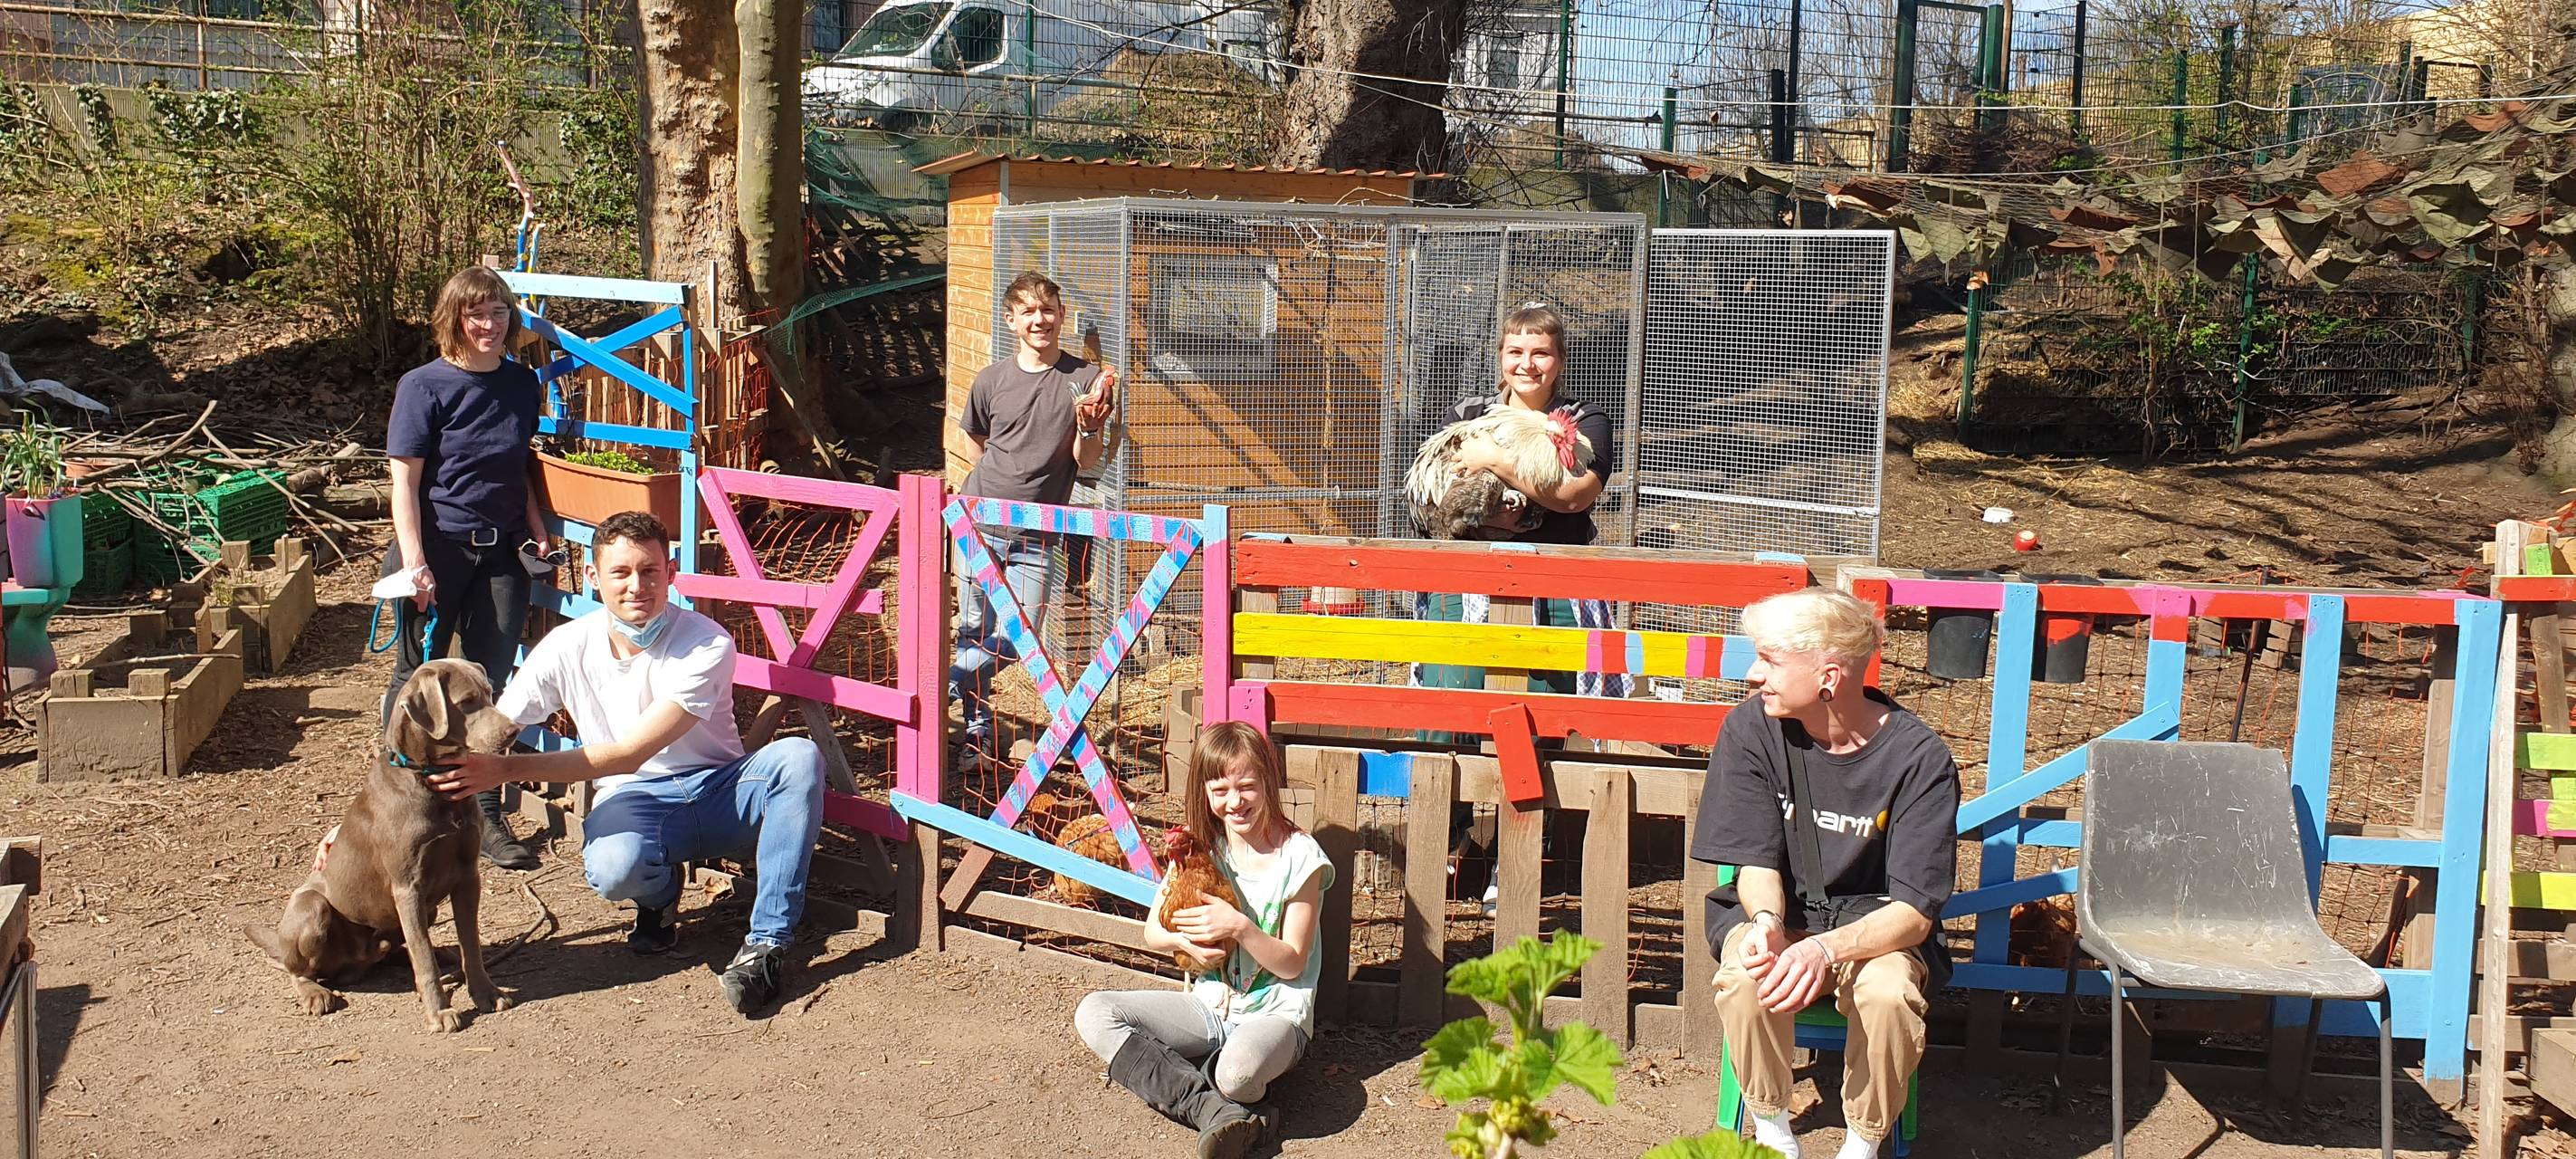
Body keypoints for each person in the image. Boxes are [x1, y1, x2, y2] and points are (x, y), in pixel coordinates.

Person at [426, 511, 826, 1017]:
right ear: (594, 577)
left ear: (670, 573)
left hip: (720, 789)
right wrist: (389, 798)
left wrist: (505, 770)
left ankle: (768, 942)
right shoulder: (567, 647)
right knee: (614, 869)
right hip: (635, 800)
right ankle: (658, 900)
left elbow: (634, 750)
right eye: (620, 573)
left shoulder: (706, 642)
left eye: (650, 571)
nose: (637, 585)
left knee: (798, 757)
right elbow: (495, 726)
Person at [1688, 589, 1961, 1159]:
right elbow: (1755, 862)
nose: (1754, 673)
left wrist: (1823, 951)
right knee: (1746, 970)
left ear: (1828, 676)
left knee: (1889, 994)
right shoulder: (1751, 730)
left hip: (1875, 927)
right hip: (1784, 908)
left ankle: (1862, 1142)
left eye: (1771, 659)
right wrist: (1765, 921)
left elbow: (1914, 912)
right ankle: (1772, 1130)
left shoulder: (1919, 759)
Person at [1073, 722, 1333, 1159]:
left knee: (1237, 1074)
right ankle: (1211, 1109)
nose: (1235, 802)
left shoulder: (1300, 857)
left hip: (1276, 1014)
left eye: (1247, 786)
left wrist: (1239, 927)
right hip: (1208, 1007)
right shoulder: (1200, 847)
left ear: (1268, 780)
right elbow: (1153, 931)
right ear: (1206, 791)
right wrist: (1189, 945)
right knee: (1096, 1013)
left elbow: (1291, 964)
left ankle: (1211, 1093)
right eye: (1220, 790)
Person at [383, 263, 556, 870]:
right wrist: (415, 562)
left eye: (499, 312)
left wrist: (534, 528)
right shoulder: (423, 385)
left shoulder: (520, 383)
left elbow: (520, 466)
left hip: (503, 550)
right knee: (416, 674)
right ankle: (400, 800)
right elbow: (404, 481)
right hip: (438, 548)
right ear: (454, 319)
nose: (489, 324)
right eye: (476, 314)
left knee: (490, 681)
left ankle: (482, 813)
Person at [951, 270, 1120, 765]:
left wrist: (1088, 428)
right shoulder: (991, 380)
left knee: (1022, 636)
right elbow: (975, 443)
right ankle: (978, 735)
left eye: (1047, 309)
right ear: (1011, 321)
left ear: (1062, 317)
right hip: (978, 524)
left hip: (1037, 536)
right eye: (1028, 311)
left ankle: (943, 682)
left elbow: (1086, 460)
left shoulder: (1085, 381)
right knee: (973, 630)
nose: (1039, 319)